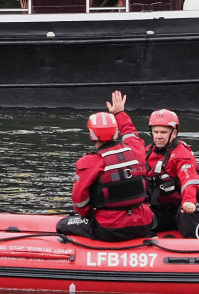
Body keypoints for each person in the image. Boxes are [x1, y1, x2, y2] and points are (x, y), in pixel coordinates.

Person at [56, 91, 153, 242]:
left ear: (91, 134)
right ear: (115, 131)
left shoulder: (89, 162)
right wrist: (120, 113)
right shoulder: (136, 150)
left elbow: (79, 201)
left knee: (62, 224)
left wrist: (89, 215)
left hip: (110, 229)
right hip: (144, 224)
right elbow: (130, 133)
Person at [145, 108, 199, 238]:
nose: (158, 136)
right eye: (155, 132)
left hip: (187, 207)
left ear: (174, 133)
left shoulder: (181, 154)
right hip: (163, 208)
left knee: (185, 214)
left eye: (163, 132)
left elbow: (189, 180)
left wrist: (189, 201)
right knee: (140, 215)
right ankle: (151, 247)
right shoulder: (148, 152)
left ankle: (194, 247)